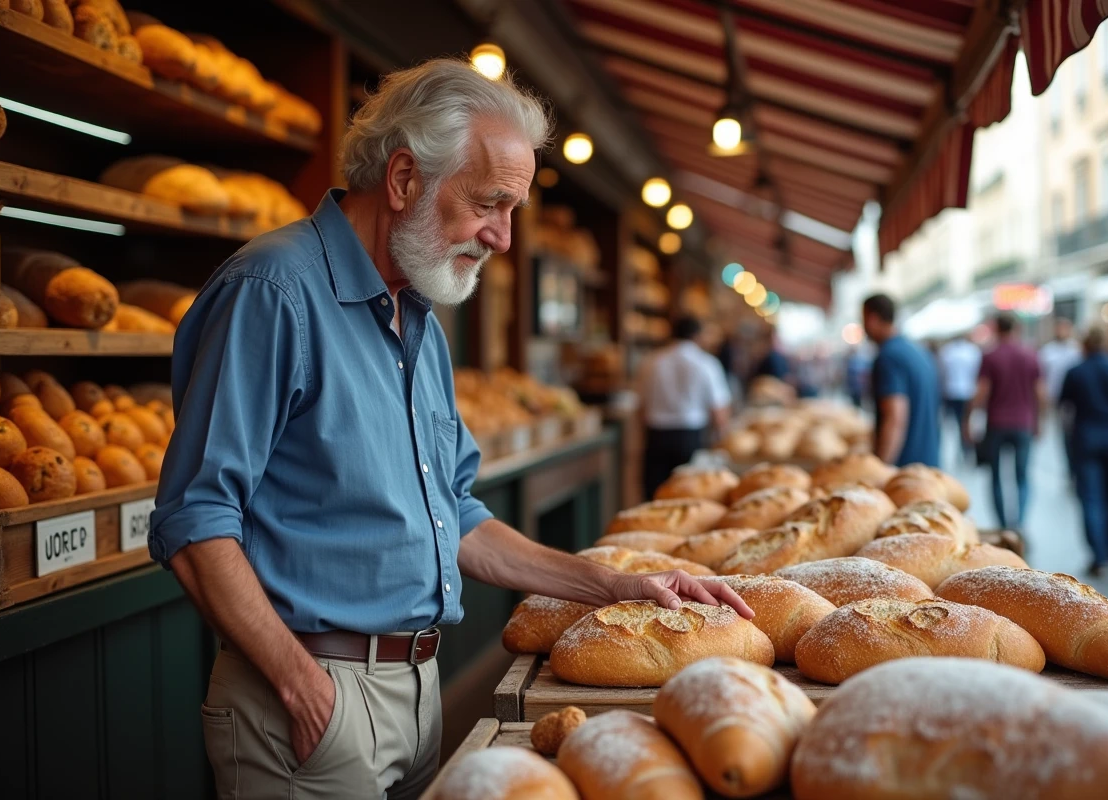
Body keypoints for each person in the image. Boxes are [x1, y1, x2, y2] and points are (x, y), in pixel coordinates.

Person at [148, 60, 750, 800]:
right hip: (310, 693)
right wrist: (300, 686)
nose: (501, 238)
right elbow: (196, 518)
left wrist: (616, 585)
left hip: (415, 689)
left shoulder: (419, 320)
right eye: (490, 204)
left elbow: (459, 517)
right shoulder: (272, 292)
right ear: (403, 180)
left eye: (513, 210)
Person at [964, 314, 1046, 533]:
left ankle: (1003, 527)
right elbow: (1041, 394)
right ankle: (1018, 523)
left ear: (996, 329)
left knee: (996, 477)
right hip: (1023, 423)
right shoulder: (1030, 355)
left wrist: (968, 420)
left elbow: (982, 391)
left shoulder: (990, 356)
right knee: (1022, 476)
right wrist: (1039, 421)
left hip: (997, 423)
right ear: (1017, 328)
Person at [1058, 327, 1108, 575]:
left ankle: (1098, 554)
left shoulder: (1076, 371)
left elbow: (1063, 405)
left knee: (1090, 497)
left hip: (1086, 437)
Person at [637, 316, 732, 498]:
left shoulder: (651, 362)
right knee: (690, 496)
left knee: (655, 496)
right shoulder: (706, 363)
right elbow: (718, 409)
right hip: (690, 437)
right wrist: (720, 439)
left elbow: (641, 406)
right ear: (697, 335)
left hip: (657, 436)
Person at [862, 294, 940, 467]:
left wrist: (880, 469)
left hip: (905, 472)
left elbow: (895, 418)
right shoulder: (919, 351)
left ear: (872, 318)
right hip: (928, 466)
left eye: (863, 319)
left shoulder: (888, 357)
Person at [1039, 318, 1084, 479]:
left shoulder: (1076, 350)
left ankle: (1077, 466)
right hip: (1059, 400)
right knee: (1065, 436)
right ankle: (1071, 468)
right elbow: (1042, 378)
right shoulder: (1047, 351)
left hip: (1078, 401)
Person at [937, 332, 983, 461]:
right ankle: (966, 451)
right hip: (967, 392)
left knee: (951, 425)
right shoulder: (972, 351)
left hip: (951, 392)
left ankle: (955, 452)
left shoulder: (947, 351)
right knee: (965, 424)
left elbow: (942, 373)